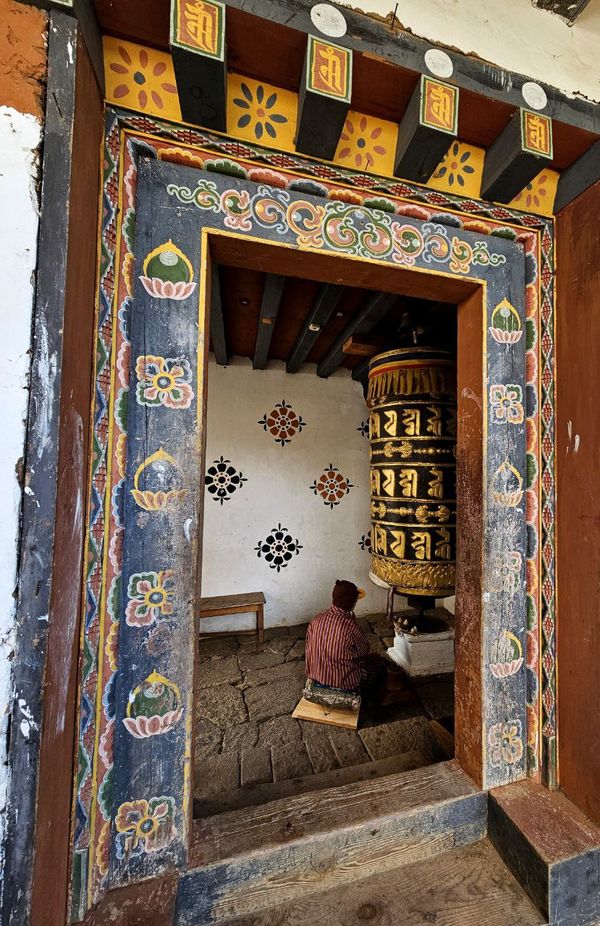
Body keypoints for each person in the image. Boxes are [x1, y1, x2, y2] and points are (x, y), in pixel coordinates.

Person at [305, 579, 384, 697]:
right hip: (345, 683)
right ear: (352, 603)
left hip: (315, 675)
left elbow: (308, 647)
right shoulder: (349, 625)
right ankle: (370, 699)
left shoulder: (316, 620)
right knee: (377, 661)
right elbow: (364, 650)